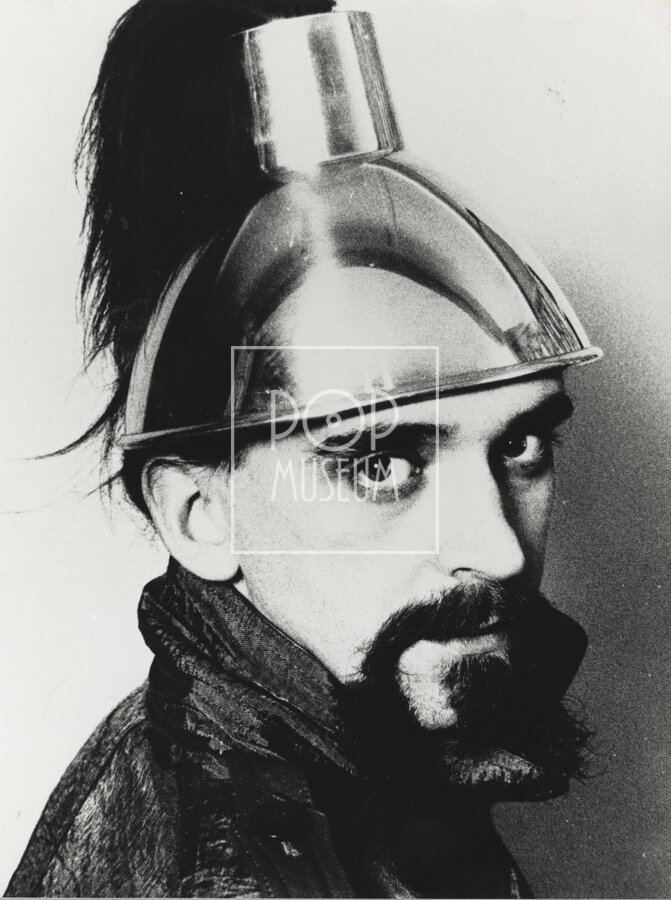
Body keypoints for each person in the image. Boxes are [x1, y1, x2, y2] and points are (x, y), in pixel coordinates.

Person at [6, 1, 602, 897]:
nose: (501, 550)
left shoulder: (372, 749)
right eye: (379, 463)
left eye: (519, 445)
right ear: (201, 515)